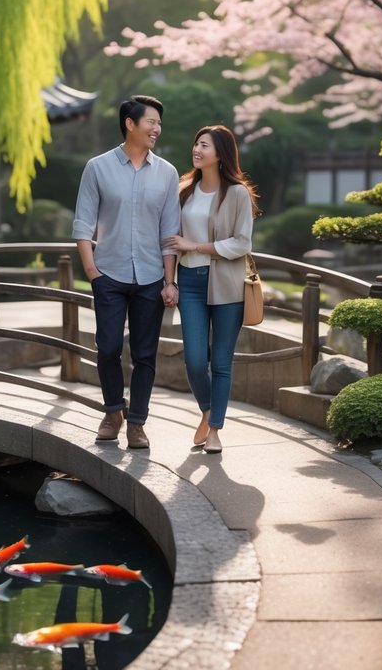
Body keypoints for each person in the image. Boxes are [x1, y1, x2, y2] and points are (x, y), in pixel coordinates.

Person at [72, 95, 181, 450]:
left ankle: (137, 422)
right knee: (107, 348)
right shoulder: (98, 167)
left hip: (151, 276)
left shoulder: (167, 173)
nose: (156, 129)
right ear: (130, 124)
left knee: (145, 354)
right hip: (110, 275)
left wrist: (169, 281)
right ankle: (112, 411)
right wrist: (93, 272)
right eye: (150, 122)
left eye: (159, 124)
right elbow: (83, 224)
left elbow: (169, 232)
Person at [165, 125, 258, 454]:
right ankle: (207, 410)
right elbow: (172, 241)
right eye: (196, 143)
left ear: (221, 153)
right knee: (193, 360)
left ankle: (215, 429)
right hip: (189, 282)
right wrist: (169, 280)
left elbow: (242, 242)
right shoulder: (184, 190)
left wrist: (197, 245)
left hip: (226, 285)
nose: (197, 149)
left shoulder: (237, 194)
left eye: (204, 145)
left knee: (220, 362)